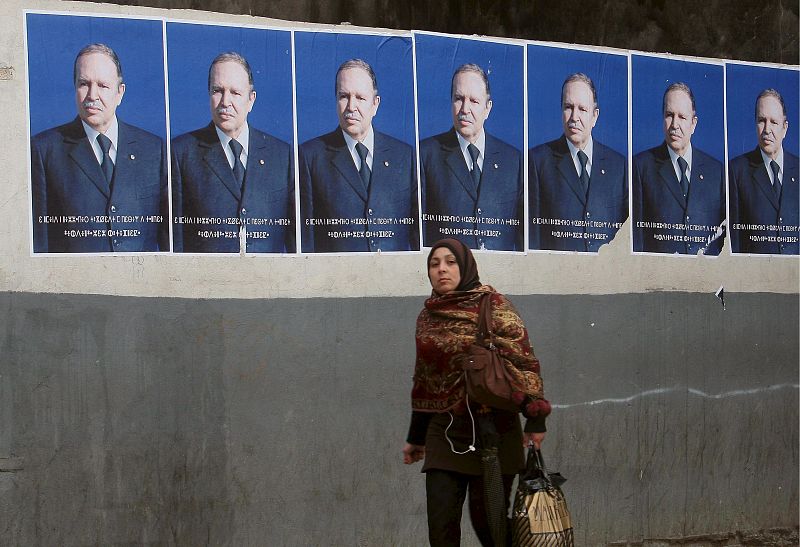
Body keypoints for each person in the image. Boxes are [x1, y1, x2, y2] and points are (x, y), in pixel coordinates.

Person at [402, 238, 550, 546]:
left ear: (465, 266)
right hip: (445, 432)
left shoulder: (493, 305)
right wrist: (416, 438)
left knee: (490, 527)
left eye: (450, 262)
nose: (441, 269)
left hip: (493, 431)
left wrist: (536, 419)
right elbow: (425, 379)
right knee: (441, 528)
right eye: (434, 263)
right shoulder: (427, 316)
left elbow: (524, 362)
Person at [30, 43, 168, 253]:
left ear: (120, 92)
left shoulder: (154, 150)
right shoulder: (44, 150)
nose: (92, 95)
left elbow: (168, 238)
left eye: (103, 86)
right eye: (84, 84)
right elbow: (38, 243)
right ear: (75, 87)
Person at [171, 52, 295, 253]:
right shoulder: (181, 153)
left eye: (235, 93)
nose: (225, 102)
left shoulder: (282, 155)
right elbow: (174, 241)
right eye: (217, 91)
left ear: (251, 99)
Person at [299, 59, 418, 253]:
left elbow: (415, 236)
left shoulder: (405, 157)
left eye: (360, 98)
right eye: (344, 96)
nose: (351, 107)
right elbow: (306, 241)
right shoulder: (310, 156)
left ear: (375, 104)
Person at [420, 65, 523, 251]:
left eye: (474, 101)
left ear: (487, 107)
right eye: (459, 99)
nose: (465, 109)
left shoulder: (514, 161)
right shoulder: (426, 155)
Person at [529, 73, 627, 252]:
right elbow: (532, 238)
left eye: (582, 109)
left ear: (594, 116)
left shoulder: (619, 166)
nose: (574, 117)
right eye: (568, 107)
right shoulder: (537, 161)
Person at [632, 82, 725, 255]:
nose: (675, 124)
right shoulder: (641, 167)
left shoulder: (717, 172)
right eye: (669, 115)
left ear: (693, 123)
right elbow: (636, 240)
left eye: (682, 117)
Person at [729, 88, 799, 254]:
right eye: (761, 120)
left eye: (773, 122)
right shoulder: (737, 170)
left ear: (785, 127)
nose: (767, 129)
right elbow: (735, 240)